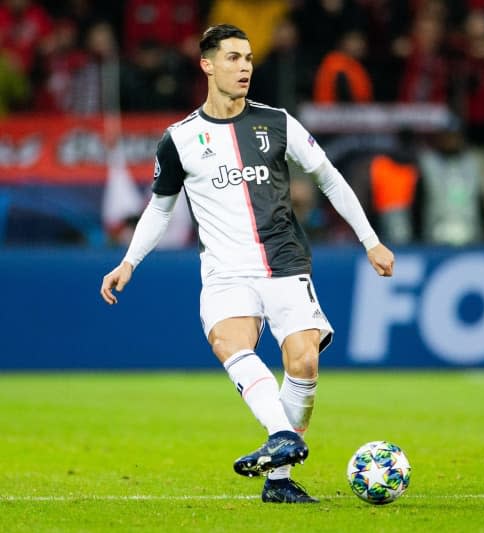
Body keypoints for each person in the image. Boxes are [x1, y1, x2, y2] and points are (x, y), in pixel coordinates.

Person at [99, 24, 395, 504]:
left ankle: (278, 482)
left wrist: (371, 241)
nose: (244, 68)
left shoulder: (278, 123)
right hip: (225, 270)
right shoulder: (180, 139)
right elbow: (159, 208)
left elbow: (330, 178)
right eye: (234, 58)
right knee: (230, 342)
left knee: (304, 361)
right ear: (207, 64)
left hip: (283, 262)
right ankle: (283, 435)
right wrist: (129, 262)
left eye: (250, 59)